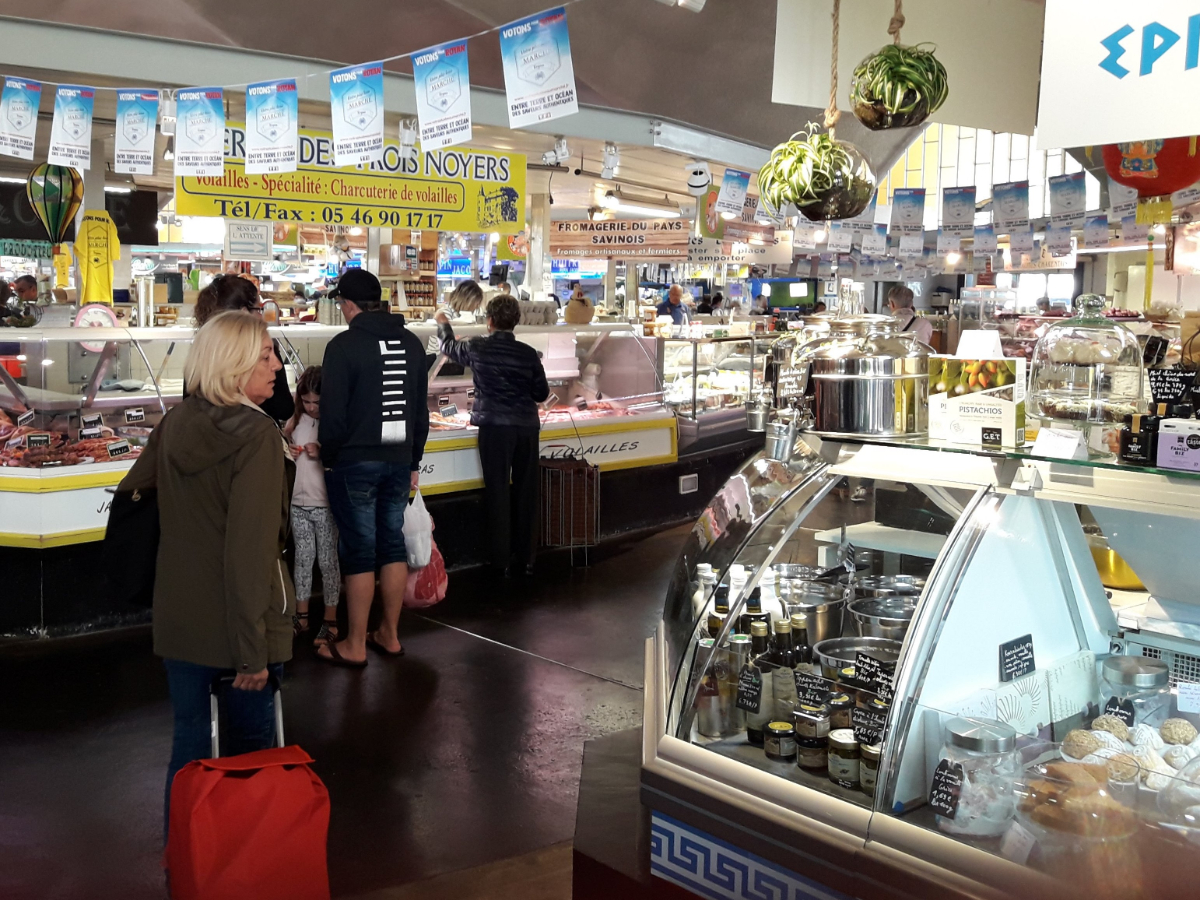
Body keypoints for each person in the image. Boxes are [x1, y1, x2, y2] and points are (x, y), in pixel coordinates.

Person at [119, 311, 294, 836]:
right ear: (234, 363)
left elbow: (137, 493)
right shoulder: (257, 437)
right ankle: (239, 868)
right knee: (247, 763)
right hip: (242, 633)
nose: (277, 366)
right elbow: (249, 552)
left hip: (179, 619)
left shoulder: (176, 422)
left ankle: (186, 853)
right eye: (264, 355)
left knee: (190, 749)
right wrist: (251, 652)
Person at [318, 269, 429, 667]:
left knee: (360, 551)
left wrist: (330, 459)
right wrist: (413, 459)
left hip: (355, 461)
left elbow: (332, 416)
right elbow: (421, 412)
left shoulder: (344, 346)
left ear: (348, 305)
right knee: (391, 544)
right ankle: (390, 634)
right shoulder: (412, 344)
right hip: (399, 460)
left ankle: (354, 644)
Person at [435, 295, 549, 577]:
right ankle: (527, 558)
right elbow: (541, 393)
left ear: (489, 322)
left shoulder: (477, 346)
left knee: (498, 492)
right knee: (526, 492)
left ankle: (501, 562)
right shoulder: (528, 353)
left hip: (494, 427)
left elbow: (448, 347)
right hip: (525, 427)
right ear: (516, 322)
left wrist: (442, 322)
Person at [284, 366, 341, 648]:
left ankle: (331, 619)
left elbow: (342, 456)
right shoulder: (295, 422)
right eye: (306, 401)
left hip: (326, 504)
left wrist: (324, 451)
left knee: (328, 562)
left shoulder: (333, 424)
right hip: (298, 503)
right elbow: (282, 444)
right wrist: (289, 449)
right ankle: (301, 616)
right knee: (303, 560)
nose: (311, 407)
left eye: (316, 402)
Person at [194, 274, 294, 422]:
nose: (261, 317)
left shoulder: (202, 351)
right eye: (258, 309)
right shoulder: (261, 350)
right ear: (244, 313)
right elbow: (284, 408)